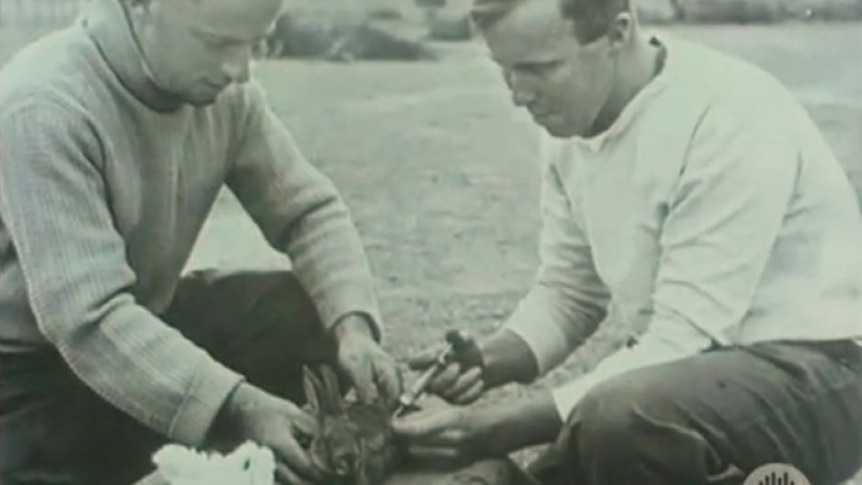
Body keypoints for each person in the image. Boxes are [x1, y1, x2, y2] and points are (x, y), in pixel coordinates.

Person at [392, 0, 862, 483]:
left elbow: (687, 338)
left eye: (539, 69)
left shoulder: (729, 115)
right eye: (506, 69)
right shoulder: (571, 119)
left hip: (822, 376)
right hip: (697, 386)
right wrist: (490, 359)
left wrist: (491, 428)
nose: (518, 94)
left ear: (618, 33)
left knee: (620, 420)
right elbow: (570, 291)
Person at [0, 0, 402, 484]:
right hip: (29, 369)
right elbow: (87, 320)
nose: (240, 70)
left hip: (144, 319)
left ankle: (199, 437)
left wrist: (352, 328)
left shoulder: (222, 93)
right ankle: (197, 443)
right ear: (140, 7)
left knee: (298, 308)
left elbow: (306, 211)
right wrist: (241, 404)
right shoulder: (43, 106)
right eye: (219, 43)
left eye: (256, 44)